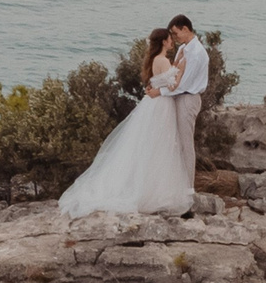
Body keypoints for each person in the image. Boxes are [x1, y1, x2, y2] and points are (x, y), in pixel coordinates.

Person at [57, 28, 194, 217]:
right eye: (170, 39)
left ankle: (152, 187)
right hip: (162, 106)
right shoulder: (162, 60)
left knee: (153, 145)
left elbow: (161, 81)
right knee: (161, 145)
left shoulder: (156, 60)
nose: (172, 42)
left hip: (154, 104)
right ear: (164, 41)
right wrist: (182, 70)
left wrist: (176, 66)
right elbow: (172, 85)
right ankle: (155, 191)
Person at [165, 15, 210, 180]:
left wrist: (161, 92)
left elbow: (184, 83)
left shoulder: (197, 52)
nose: (175, 38)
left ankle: (188, 186)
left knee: (185, 143)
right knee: (176, 142)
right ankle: (177, 181)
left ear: (185, 28)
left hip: (188, 98)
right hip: (178, 97)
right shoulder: (183, 49)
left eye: (176, 33)